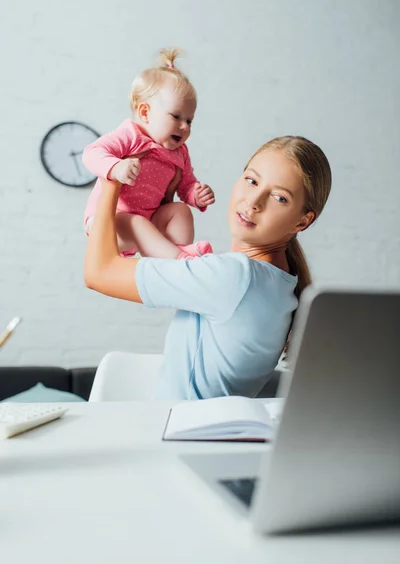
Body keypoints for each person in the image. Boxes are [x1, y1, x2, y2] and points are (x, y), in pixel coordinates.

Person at [84, 136, 332, 400]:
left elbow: (98, 273)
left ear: (302, 222)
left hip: (182, 435)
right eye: (252, 180)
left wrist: (110, 177)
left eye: (279, 198)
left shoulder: (233, 276)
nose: (254, 202)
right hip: (203, 434)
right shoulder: (282, 283)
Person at [82, 48, 215, 259]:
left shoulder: (180, 153)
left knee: (181, 211)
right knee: (135, 221)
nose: (184, 127)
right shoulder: (131, 135)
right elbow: (91, 153)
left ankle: (177, 251)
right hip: (109, 224)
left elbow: (186, 184)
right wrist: (116, 167)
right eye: (176, 116)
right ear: (145, 113)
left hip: (149, 224)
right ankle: (179, 260)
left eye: (189, 120)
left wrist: (195, 196)